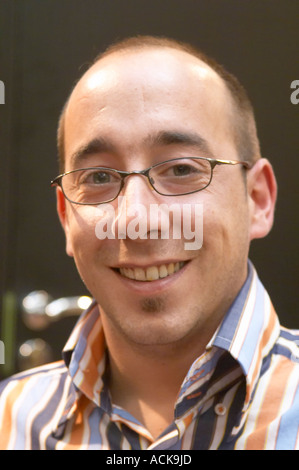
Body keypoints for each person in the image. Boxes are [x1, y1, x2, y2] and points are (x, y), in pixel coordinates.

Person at [0, 35, 298, 451]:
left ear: (257, 200)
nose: (137, 221)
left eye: (180, 168)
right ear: (67, 215)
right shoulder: (11, 421)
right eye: (99, 178)